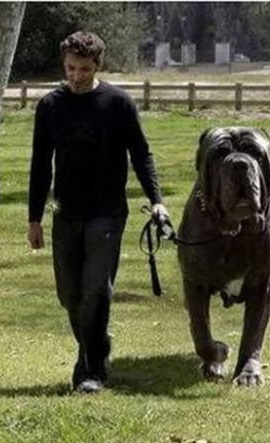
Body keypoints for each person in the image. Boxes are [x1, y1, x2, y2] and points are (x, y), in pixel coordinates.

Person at [27, 31, 169, 393]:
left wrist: (156, 199)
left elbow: (141, 154)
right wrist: (34, 218)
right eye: (71, 68)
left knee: (96, 290)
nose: (76, 76)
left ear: (98, 66)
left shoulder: (118, 104)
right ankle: (98, 344)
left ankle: (88, 369)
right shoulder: (50, 106)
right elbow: (40, 165)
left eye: (84, 70)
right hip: (65, 212)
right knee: (69, 295)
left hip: (107, 212)